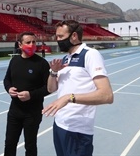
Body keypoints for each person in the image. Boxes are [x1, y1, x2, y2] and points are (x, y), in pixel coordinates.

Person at [42, 20, 114, 156]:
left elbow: (107, 96)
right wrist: (54, 72)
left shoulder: (90, 54)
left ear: (74, 36)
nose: (57, 40)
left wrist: (69, 98)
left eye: (60, 37)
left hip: (78, 130)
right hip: (60, 124)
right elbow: (51, 89)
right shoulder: (65, 59)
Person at [3, 31, 50, 156]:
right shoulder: (14, 61)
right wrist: (8, 88)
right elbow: (7, 79)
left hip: (32, 113)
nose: (32, 45)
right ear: (20, 45)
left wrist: (31, 95)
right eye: (28, 42)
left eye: (34, 42)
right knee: (9, 143)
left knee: (30, 145)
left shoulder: (42, 63)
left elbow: (48, 88)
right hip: (14, 111)